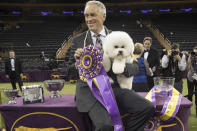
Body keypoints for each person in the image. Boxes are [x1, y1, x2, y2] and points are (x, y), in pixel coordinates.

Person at [69, 1, 154, 131]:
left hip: (115, 88)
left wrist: (121, 68)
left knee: (146, 107)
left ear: (103, 16)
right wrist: (77, 62)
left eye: (93, 14)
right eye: (86, 15)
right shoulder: (78, 40)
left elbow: (135, 66)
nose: (89, 19)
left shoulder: (118, 37)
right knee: (105, 126)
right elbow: (69, 70)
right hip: (90, 92)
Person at [186, 46, 197, 116]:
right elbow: (187, 67)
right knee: (190, 94)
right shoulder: (190, 58)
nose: (195, 54)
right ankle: (188, 110)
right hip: (190, 77)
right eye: (194, 52)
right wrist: (190, 58)